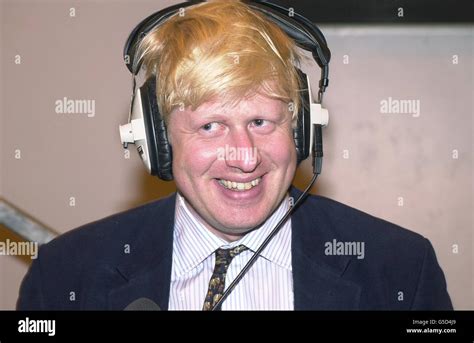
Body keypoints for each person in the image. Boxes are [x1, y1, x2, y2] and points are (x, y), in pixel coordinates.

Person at [17, 0, 452, 310]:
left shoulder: (400, 269)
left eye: (262, 122)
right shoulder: (65, 276)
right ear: (157, 140)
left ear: (302, 128)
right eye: (210, 126)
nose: (244, 157)